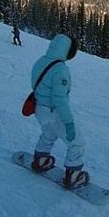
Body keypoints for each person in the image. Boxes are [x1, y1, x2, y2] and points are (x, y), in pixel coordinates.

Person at [29, 34, 88, 189]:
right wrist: (68, 123)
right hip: (53, 111)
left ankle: (40, 160)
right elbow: (59, 99)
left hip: (39, 109)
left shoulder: (41, 61)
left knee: (48, 134)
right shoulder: (60, 70)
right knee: (77, 142)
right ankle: (73, 176)